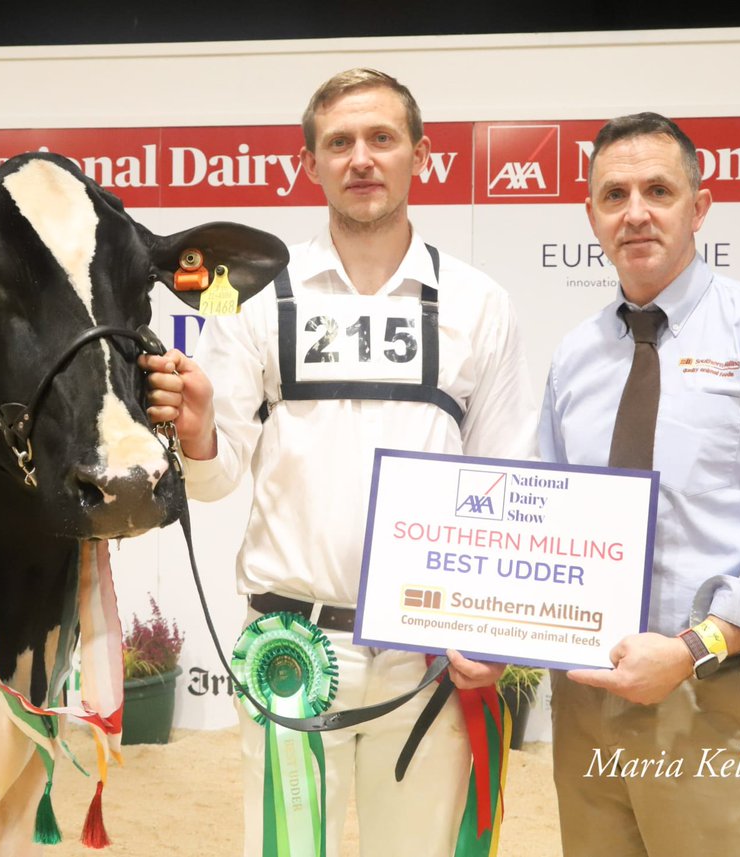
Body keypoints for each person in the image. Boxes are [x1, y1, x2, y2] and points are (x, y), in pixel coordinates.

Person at [141, 68, 536, 857]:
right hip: (292, 645)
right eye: (340, 142)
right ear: (309, 163)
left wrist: (492, 632)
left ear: (421, 155)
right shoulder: (259, 299)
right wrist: (196, 435)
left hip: (429, 658)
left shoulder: (478, 303)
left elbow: (507, 478)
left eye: (382, 138)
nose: (362, 157)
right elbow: (217, 480)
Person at [540, 112, 740, 856]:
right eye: (614, 195)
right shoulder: (574, 359)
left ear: (699, 207)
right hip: (588, 699)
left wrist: (692, 645)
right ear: (591, 215)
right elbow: (543, 513)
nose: (636, 211)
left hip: (714, 691)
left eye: (658, 189)